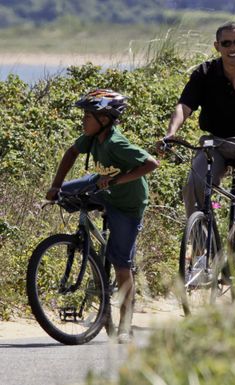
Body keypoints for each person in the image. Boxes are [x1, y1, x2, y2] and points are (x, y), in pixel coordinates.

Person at [46, 89, 159, 343]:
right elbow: (71, 153)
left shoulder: (116, 143)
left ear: (105, 119)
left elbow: (152, 164)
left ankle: (125, 326)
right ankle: (87, 245)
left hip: (127, 205)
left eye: (88, 115)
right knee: (64, 195)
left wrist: (116, 180)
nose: (83, 120)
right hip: (102, 189)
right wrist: (55, 187)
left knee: (121, 264)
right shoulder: (92, 137)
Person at [159, 21, 235, 244]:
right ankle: (203, 250)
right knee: (194, 186)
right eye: (226, 43)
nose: (233, 47)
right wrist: (170, 133)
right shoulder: (205, 72)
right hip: (215, 144)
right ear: (217, 46)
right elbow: (184, 106)